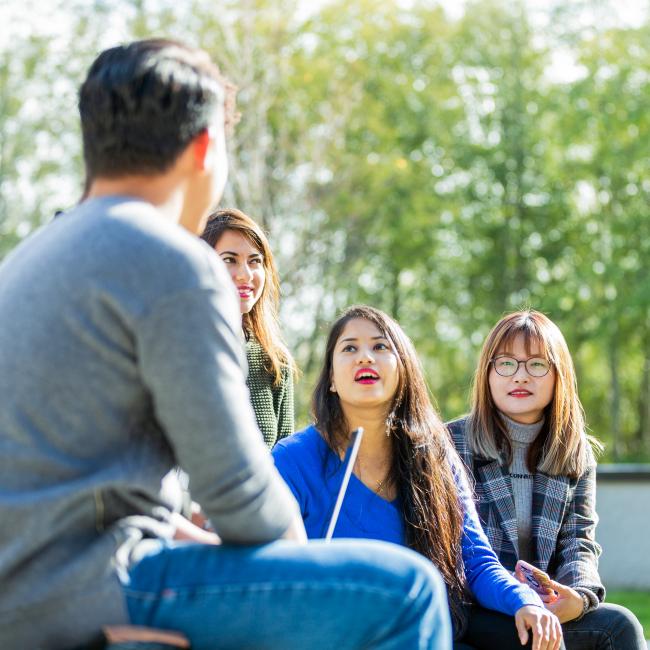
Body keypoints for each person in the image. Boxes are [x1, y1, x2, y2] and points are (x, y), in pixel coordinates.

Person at [0, 39, 454, 649]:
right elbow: (240, 494)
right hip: (92, 586)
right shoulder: (171, 261)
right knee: (407, 593)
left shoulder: (27, 260)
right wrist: (298, 577)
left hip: (28, 587)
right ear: (206, 147)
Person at [272, 305, 564, 650]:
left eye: (381, 347)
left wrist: (524, 600)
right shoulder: (292, 460)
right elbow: (270, 573)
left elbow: (476, 559)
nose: (365, 357)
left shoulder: (435, 456)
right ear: (332, 379)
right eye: (349, 348)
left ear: (403, 369)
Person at [448, 310, 646, 650]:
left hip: (544, 607)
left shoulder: (575, 452)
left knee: (619, 625)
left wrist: (578, 598)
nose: (521, 377)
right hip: (475, 610)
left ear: (559, 376)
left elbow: (578, 542)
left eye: (537, 365)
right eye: (507, 364)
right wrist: (515, 597)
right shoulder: (451, 443)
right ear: (487, 374)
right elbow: (452, 550)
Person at [201, 209, 294, 447]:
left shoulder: (275, 360)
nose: (245, 275)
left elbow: (283, 461)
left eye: (255, 261)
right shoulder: (174, 347)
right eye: (230, 260)